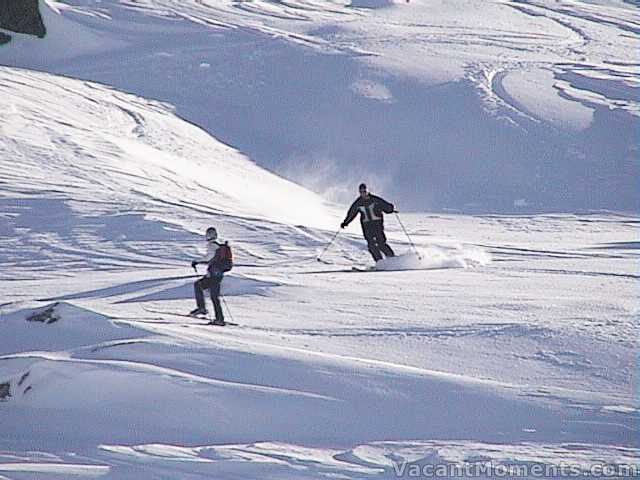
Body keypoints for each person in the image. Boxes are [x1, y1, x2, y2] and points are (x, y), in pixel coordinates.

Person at [341, 183, 396, 262]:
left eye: (364, 191)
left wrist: (390, 208)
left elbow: (385, 206)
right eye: (361, 192)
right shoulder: (358, 203)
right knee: (371, 245)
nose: (363, 193)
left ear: (368, 191)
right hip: (366, 226)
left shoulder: (375, 199)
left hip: (377, 225)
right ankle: (379, 262)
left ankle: (392, 259)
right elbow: (352, 213)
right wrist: (346, 222)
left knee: (381, 243)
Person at [190, 226, 229, 325]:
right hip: (218, 273)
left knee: (198, 285)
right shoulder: (219, 245)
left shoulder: (212, 245)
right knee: (214, 296)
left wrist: (196, 261)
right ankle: (219, 318)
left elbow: (209, 257)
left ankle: (202, 309)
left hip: (214, 274)